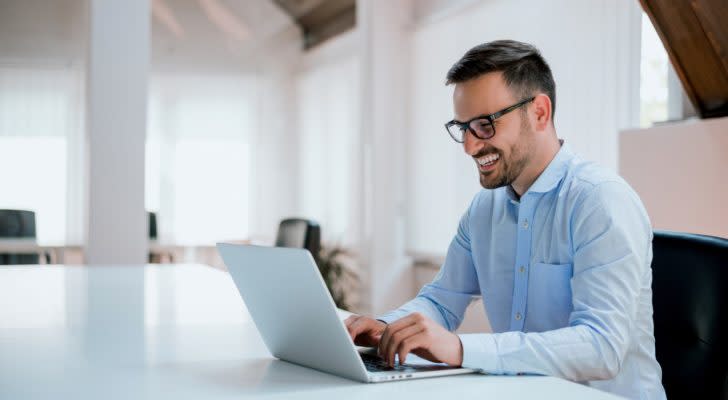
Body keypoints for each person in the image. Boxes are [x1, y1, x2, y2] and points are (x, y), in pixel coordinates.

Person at [345, 40, 666, 400]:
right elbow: (441, 300)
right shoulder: (485, 209)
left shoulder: (601, 201)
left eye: (484, 125)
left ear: (540, 113)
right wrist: (387, 327)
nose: (470, 146)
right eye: (462, 127)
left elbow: (602, 346)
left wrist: (460, 349)